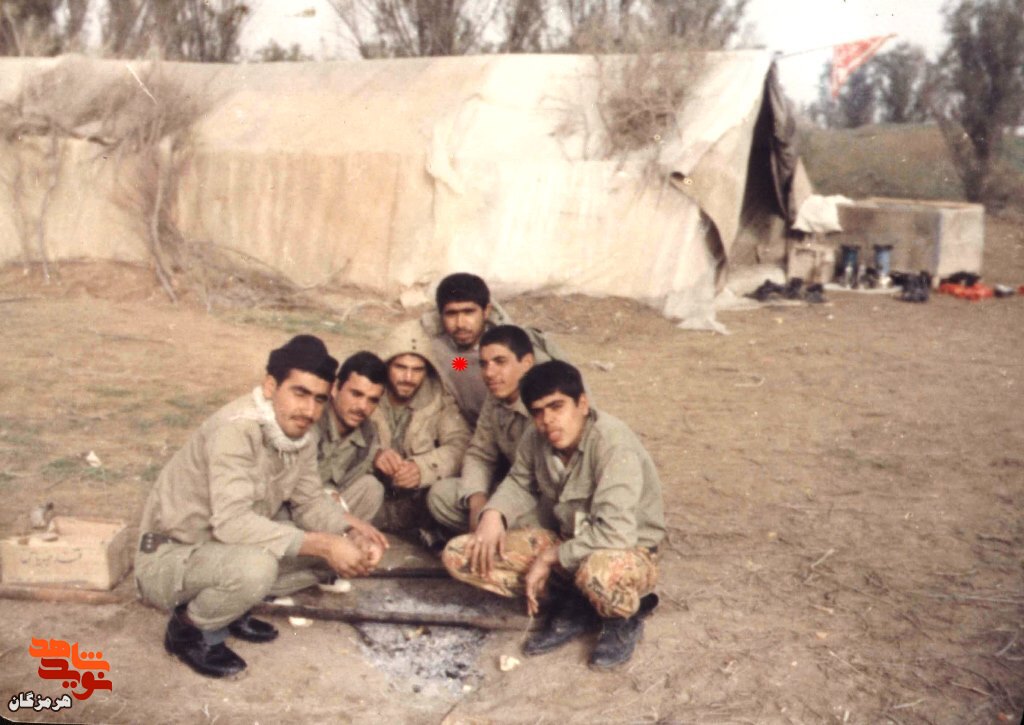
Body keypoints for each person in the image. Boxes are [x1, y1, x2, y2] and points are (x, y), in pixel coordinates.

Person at [135, 335, 389, 679]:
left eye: (318, 399)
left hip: (220, 548)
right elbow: (232, 523)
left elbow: (309, 501)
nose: (309, 410)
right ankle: (187, 630)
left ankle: (232, 607)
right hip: (171, 556)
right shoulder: (236, 430)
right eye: (299, 393)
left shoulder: (300, 431)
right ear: (271, 386)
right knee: (260, 567)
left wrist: (348, 534)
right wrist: (327, 545)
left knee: (308, 550)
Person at [442, 360, 665, 669]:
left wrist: (549, 558)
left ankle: (623, 616)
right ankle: (578, 603)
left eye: (556, 406)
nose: (547, 420)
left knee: (597, 572)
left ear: (582, 404)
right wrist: (493, 514)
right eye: (537, 411)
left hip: (626, 549)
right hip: (571, 542)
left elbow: (616, 532)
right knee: (462, 553)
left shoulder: (612, 444)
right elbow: (520, 481)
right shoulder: (537, 437)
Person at [427, 325, 535, 535]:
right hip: (509, 488)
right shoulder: (495, 397)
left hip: (536, 497)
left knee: (520, 521)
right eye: (484, 364)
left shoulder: (541, 405)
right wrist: (477, 499)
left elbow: (530, 481)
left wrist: (496, 511)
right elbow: (480, 454)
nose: (489, 373)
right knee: (440, 495)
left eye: (500, 362)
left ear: (527, 363)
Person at [422, 272, 566, 428]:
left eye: (469, 312)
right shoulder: (434, 349)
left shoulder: (516, 346)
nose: (460, 324)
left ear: (486, 311)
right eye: (451, 314)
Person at [370, 320, 470, 532]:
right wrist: (375, 455)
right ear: (386, 366)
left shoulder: (439, 399)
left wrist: (423, 468)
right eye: (400, 367)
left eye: (417, 370)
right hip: (369, 493)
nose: (408, 378)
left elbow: (461, 444)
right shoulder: (367, 394)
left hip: (416, 502)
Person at [316, 351, 389, 523]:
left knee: (371, 488)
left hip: (325, 506)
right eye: (356, 394)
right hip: (293, 504)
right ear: (335, 388)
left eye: (372, 400)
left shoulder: (368, 433)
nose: (363, 406)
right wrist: (326, 495)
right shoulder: (314, 416)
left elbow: (346, 484)